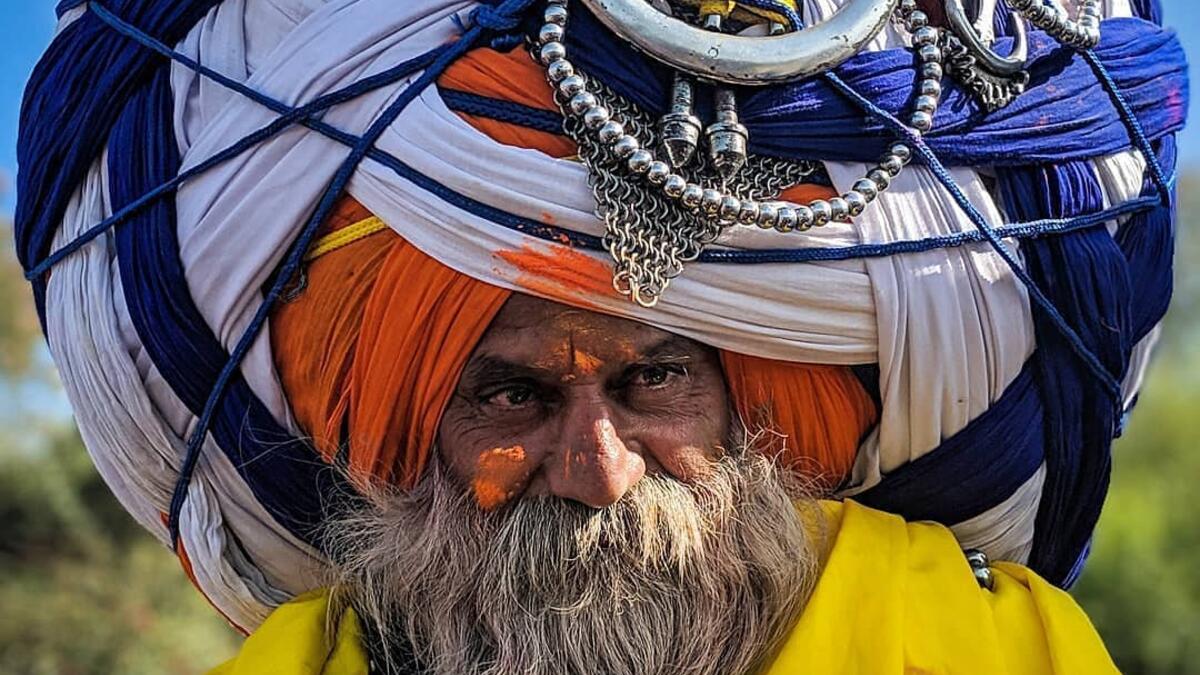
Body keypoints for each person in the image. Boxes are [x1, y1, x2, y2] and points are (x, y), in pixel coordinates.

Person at [13, 0, 1186, 672]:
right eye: (511, 398)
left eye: (656, 379)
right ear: (415, 428)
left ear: (749, 405)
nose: (597, 468)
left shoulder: (985, 650)